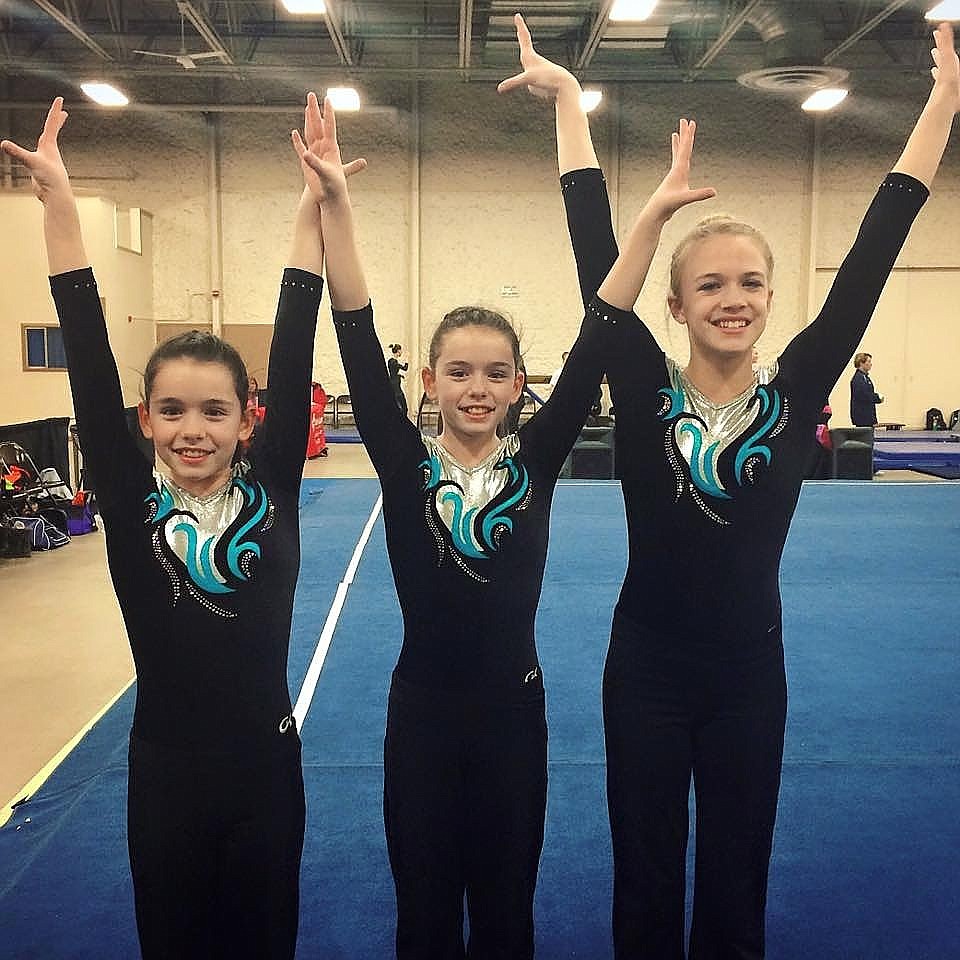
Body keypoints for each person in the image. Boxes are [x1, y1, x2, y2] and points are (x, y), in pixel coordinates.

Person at [554, 19, 958, 959]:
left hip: (748, 675)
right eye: (710, 285)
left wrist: (938, 106)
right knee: (645, 866)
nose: (732, 298)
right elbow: (591, 247)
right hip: (646, 671)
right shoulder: (644, 390)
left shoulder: (795, 394)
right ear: (675, 302)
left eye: (750, 283)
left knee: (738, 868)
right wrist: (572, 108)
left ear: (772, 297)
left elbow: (873, 252)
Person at [1, 98, 362, 958]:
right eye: (172, 410)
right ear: (147, 421)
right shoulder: (129, 500)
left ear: (249, 420)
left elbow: (297, 333)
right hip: (165, 775)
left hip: (268, 770)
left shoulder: (272, 482)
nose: (192, 427)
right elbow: (87, 353)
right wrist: (59, 208)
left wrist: (311, 208)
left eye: (214, 410)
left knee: (265, 936)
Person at [291, 82, 612, 957]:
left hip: (516, 714)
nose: (478, 388)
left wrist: (580, 129)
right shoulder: (405, 460)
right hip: (423, 716)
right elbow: (354, 326)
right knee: (424, 908)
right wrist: (336, 205)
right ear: (428, 383)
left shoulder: (536, 459)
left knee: (508, 906)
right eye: (459, 372)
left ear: (520, 386)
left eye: (497, 373)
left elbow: (602, 329)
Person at [849, 351, 883, 426]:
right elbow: (864, 396)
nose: (871, 364)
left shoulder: (865, 378)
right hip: (862, 417)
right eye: (869, 361)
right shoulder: (858, 379)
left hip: (868, 416)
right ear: (861, 363)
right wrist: (877, 397)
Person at [387, 342, 409, 415]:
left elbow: (393, 373)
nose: (401, 352)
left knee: (401, 407)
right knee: (404, 408)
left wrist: (400, 375)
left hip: (394, 384)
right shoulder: (393, 361)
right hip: (396, 386)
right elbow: (405, 368)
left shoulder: (391, 361)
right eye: (401, 350)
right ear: (398, 351)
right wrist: (406, 360)